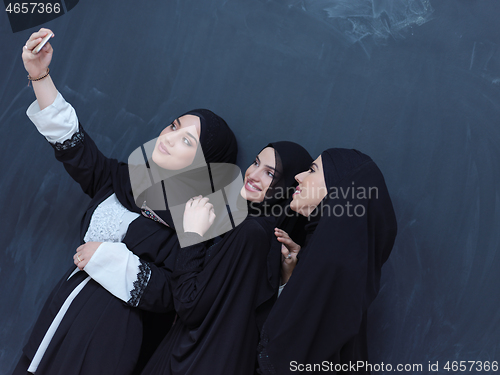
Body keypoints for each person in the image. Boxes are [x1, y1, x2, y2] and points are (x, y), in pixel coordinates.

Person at [14, 28, 238, 375]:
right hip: (60, 314)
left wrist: (107, 257)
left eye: (187, 142)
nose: (170, 138)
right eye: (174, 126)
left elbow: (177, 295)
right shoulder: (122, 179)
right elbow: (72, 142)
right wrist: (39, 74)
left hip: (109, 339)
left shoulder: (195, 220)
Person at [140, 142, 313, 375]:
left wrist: (192, 234)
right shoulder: (265, 233)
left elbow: (189, 304)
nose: (252, 175)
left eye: (270, 173)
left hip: (193, 360)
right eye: (255, 163)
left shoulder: (252, 232)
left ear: (288, 187)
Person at [257, 148, 398, 374]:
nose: (299, 177)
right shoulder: (331, 256)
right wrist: (292, 275)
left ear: (338, 188)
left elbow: (283, 357)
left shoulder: (333, 263)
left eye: (312, 170)